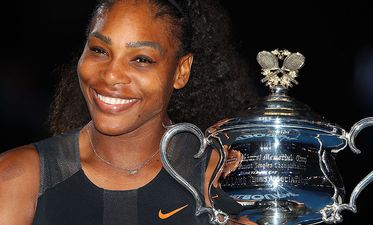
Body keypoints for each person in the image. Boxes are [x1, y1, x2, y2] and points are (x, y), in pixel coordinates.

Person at [0, 0, 256, 224]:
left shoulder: (222, 180)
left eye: (141, 59)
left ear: (181, 70)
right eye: (99, 50)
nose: (111, 75)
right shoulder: (18, 178)